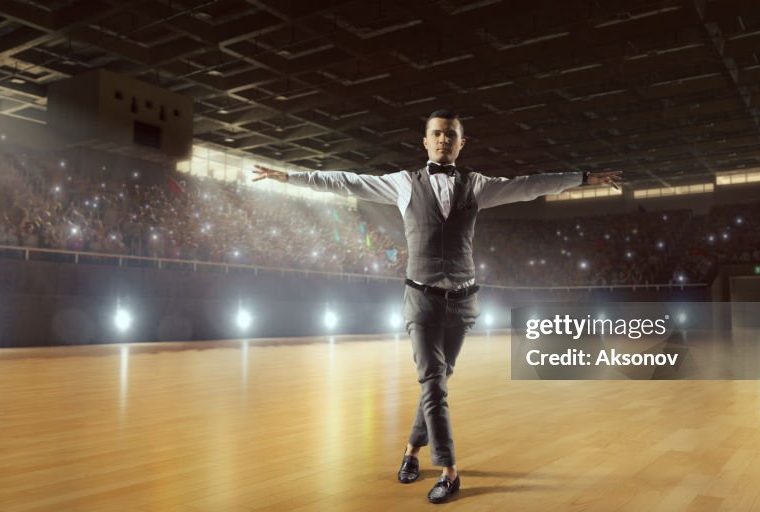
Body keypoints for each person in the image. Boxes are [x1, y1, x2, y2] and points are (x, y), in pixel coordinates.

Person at [252, 109, 621, 504]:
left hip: (463, 304)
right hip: (421, 300)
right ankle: (449, 470)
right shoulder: (402, 184)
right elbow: (347, 182)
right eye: (437, 134)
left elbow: (529, 186)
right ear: (425, 141)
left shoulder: (477, 185)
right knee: (433, 383)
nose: (443, 140)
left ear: (461, 144)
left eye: (451, 135)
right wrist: (291, 177)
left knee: (438, 383)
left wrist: (581, 178)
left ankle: (412, 451)